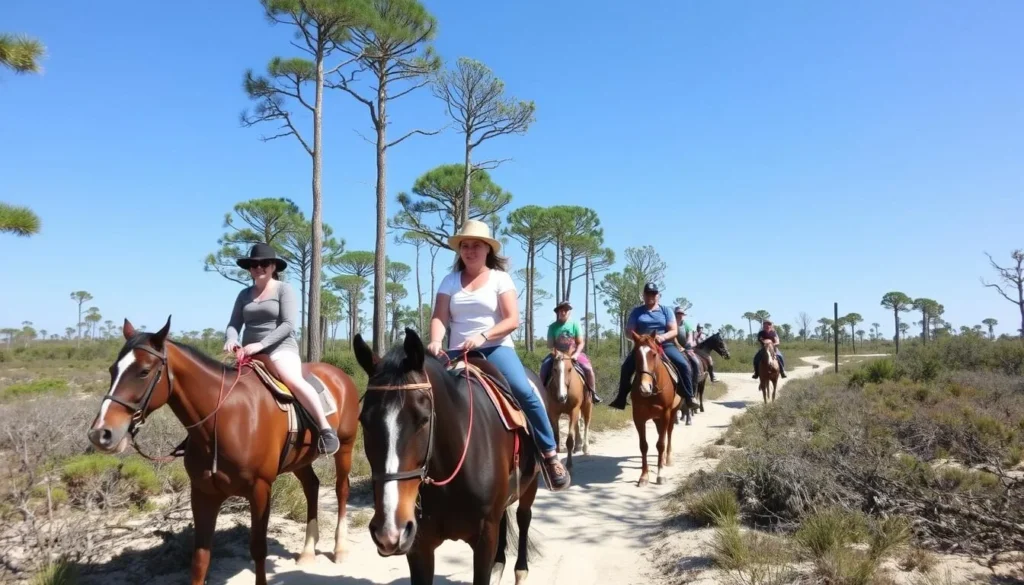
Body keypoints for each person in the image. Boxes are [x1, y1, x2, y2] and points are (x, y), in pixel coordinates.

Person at [426, 220, 571, 491]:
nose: (470, 251)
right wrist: (435, 340)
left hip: (496, 348)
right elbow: (439, 316)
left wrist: (484, 336)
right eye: (465, 246)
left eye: (476, 245)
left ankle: (550, 454)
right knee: (426, 394)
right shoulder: (449, 281)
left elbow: (512, 320)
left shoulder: (500, 278)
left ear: (487, 250)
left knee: (523, 390)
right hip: (458, 351)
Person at [171, 243, 341, 458]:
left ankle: (325, 429)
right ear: (249, 268)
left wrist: (261, 345)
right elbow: (234, 323)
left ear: (273, 267)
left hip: (280, 349)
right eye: (254, 264)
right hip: (248, 353)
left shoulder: (283, 289)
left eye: (264, 264)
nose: (259, 268)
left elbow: (288, 324)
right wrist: (232, 339)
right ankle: (199, 438)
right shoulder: (244, 294)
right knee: (222, 387)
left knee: (293, 381)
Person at [607, 283, 697, 411]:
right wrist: (640, 338)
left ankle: (689, 396)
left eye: (654, 294)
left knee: (683, 364)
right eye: (648, 293)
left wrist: (662, 337)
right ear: (643, 295)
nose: (651, 296)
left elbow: (673, 330)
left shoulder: (666, 311)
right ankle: (621, 398)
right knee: (626, 367)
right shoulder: (637, 312)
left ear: (658, 296)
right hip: (643, 346)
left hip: (664, 344)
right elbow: (628, 331)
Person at [539, 300, 601, 404]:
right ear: (558, 312)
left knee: (588, 369)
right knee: (544, 367)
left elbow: (581, 343)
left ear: (569, 312)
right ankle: (542, 393)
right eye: (561, 310)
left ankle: (592, 393)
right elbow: (550, 345)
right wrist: (554, 349)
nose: (564, 312)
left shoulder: (575, 324)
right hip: (557, 354)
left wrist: (576, 354)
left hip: (573, 354)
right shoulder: (553, 327)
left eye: (566, 310)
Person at [675, 307, 715, 383]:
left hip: (687, 347)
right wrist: (678, 346)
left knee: (696, 361)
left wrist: (687, 345)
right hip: (673, 346)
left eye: (682, 313)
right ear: (675, 314)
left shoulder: (686, 325)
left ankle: (697, 378)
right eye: (678, 313)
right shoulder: (672, 323)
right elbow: (672, 335)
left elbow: (690, 337)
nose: (680, 315)